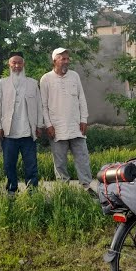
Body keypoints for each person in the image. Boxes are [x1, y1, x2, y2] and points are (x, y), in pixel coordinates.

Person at [40, 47, 93, 192]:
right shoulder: (46, 79)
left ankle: (87, 187)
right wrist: (48, 125)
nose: (66, 61)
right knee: (60, 161)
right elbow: (43, 105)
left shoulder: (74, 76)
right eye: (63, 59)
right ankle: (64, 190)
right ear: (54, 60)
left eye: (67, 59)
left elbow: (81, 98)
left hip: (76, 125)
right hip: (57, 127)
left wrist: (83, 119)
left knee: (82, 158)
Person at [0, 52, 43, 195]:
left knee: (31, 165)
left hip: (28, 133)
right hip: (9, 133)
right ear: (9, 64)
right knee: (9, 165)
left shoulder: (33, 83)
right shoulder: (3, 83)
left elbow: (39, 106)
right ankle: (11, 191)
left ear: (23, 64)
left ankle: (32, 192)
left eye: (19, 63)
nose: (16, 66)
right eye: (13, 63)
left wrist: (39, 125)